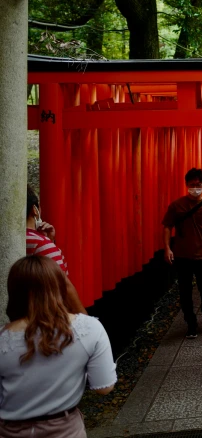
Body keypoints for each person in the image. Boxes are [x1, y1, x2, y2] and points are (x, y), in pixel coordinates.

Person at [0, 255, 116, 437]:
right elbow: (104, 387)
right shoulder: (88, 329)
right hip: (65, 429)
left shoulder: (3, 337)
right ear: (61, 287)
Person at [162, 168, 202, 339]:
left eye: (198, 185)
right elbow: (167, 226)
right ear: (186, 185)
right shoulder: (176, 205)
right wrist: (167, 248)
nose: (195, 188)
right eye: (191, 185)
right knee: (185, 292)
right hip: (182, 255)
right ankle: (191, 323)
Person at [25, 186, 87, 315]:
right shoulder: (40, 242)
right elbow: (63, 284)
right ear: (35, 210)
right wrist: (86, 320)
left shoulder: (30, 239)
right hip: (44, 314)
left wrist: (48, 240)